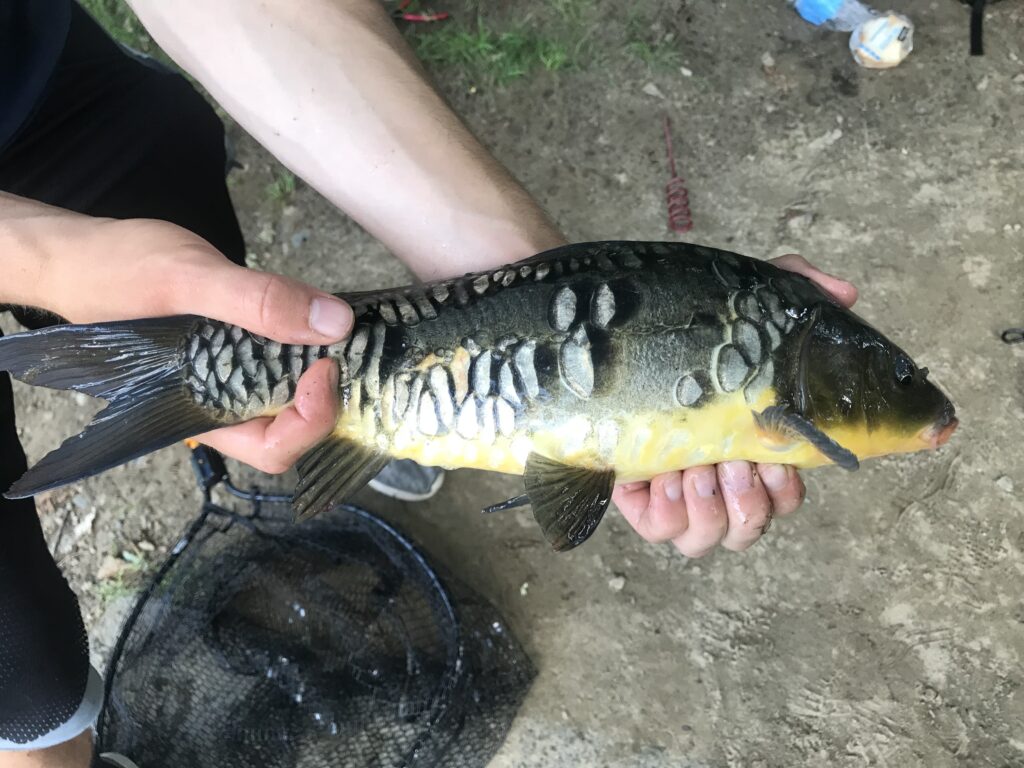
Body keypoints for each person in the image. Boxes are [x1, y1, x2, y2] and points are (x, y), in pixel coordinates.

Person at [0, 1, 859, 766]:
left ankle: (335, 413)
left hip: (37, 74)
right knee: (21, 663)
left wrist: (521, 279)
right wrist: (44, 257)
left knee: (189, 250)